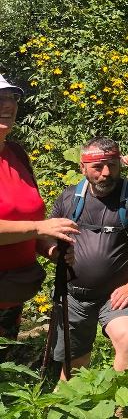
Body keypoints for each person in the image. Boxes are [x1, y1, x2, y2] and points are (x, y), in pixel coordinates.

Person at [50, 136, 128, 376]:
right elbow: (49, 236)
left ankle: (120, 396)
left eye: (112, 165)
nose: (106, 173)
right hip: (74, 296)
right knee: (73, 367)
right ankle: (73, 398)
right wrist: (54, 251)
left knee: (127, 338)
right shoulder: (69, 199)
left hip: (116, 295)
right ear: (82, 168)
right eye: (98, 167)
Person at [0, 75, 79, 355]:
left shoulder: (17, 155)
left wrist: (51, 248)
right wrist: (39, 228)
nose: (7, 105)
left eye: (12, 98)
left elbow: (25, 223)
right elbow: (33, 226)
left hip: (10, 294)